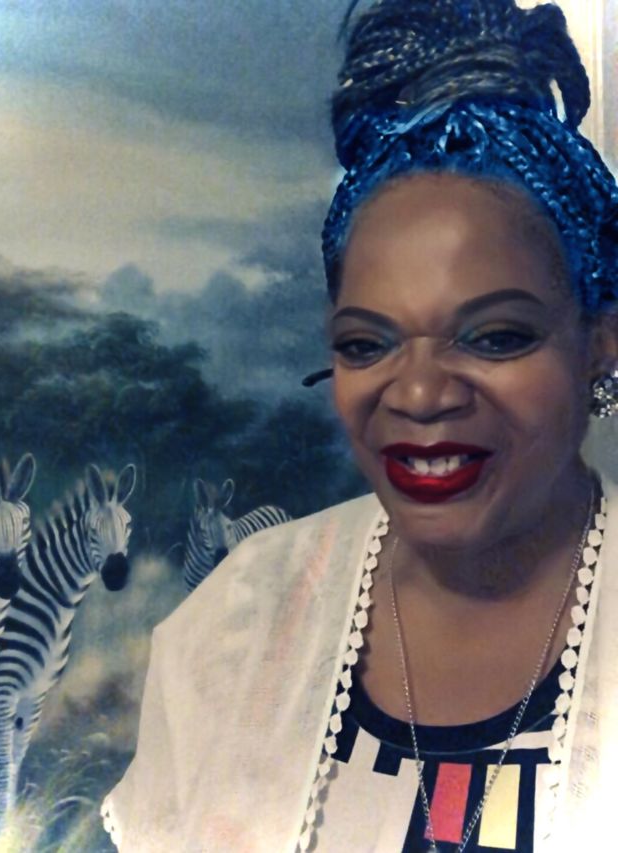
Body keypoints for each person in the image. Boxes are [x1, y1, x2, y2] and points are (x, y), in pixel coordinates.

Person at [101, 1, 618, 850]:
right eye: (366, 343)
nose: (418, 393)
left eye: (494, 335)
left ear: (599, 340)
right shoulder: (238, 625)